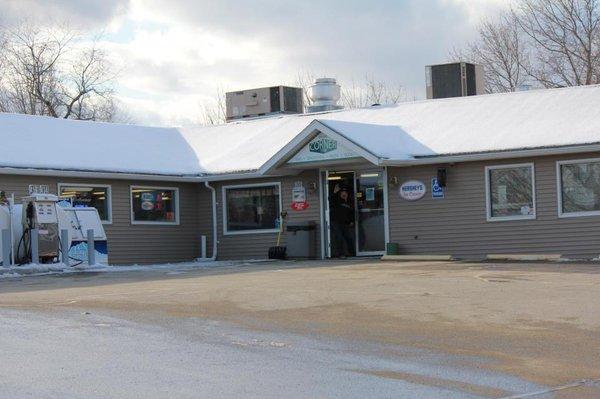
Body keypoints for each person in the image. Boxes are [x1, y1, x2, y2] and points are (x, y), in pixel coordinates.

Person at [330, 186, 355, 258]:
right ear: (340, 194)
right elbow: (331, 200)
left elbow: (352, 213)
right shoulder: (337, 200)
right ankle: (340, 254)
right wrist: (334, 193)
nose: (344, 194)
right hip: (335, 222)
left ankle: (352, 253)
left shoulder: (350, 202)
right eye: (342, 193)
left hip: (344, 223)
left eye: (345, 193)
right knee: (339, 237)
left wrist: (351, 221)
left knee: (349, 237)